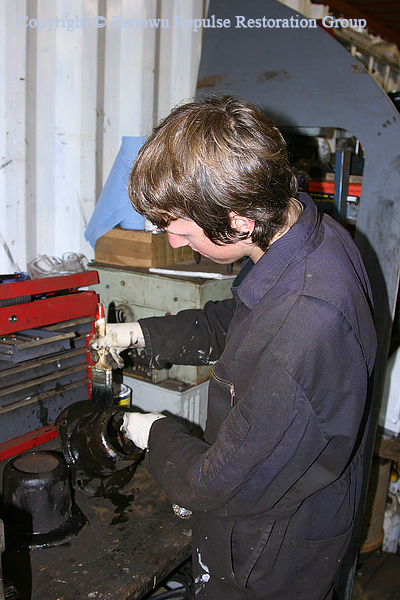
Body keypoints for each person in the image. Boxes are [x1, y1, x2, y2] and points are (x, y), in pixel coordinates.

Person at [91, 95, 377, 599]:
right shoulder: (303, 232)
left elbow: (217, 484)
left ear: (239, 218)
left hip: (270, 559)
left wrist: (150, 429)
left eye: (180, 230)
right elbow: (239, 317)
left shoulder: (304, 324)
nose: (175, 244)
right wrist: (141, 336)